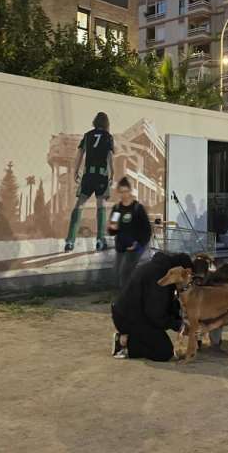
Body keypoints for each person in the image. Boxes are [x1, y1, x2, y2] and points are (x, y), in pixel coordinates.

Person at [110, 252, 193, 361]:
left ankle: (130, 339)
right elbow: (156, 315)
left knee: (159, 340)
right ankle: (123, 343)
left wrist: (179, 319)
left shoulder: (161, 269)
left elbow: (165, 306)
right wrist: (178, 325)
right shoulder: (158, 276)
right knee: (163, 352)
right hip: (128, 318)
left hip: (132, 313)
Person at [65, 112, 115, 252]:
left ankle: (70, 242)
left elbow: (79, 154)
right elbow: (110, 156)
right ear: (106, 123)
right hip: (101, 176)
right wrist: (112, 173)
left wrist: (75, 171)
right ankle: (100, 241)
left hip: (88, 175)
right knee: (101, 206)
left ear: (95, 122)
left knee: (79, 205)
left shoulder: (87, 135)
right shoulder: (108, 137)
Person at [108, 177, 152, 289]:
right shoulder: (117, 209)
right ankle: (126, 297)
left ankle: (126, 300)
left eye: (126, 191)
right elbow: (112, 231)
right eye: (121, 192)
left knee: (125, 274)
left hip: (136, 247)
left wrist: (139, 243)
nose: (124, 195)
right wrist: (112, 228)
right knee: (117, 274)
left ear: (130, 191)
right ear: (118, 192)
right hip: (121, 247)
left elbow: (147, 230)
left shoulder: (137, 208)